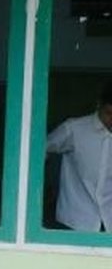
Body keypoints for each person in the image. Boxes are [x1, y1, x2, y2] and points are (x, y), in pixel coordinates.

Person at [46, 81, 112, 232]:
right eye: (109, 113)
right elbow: (39, 151)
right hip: (75, 220)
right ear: (99, 105)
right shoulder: (74, 129)